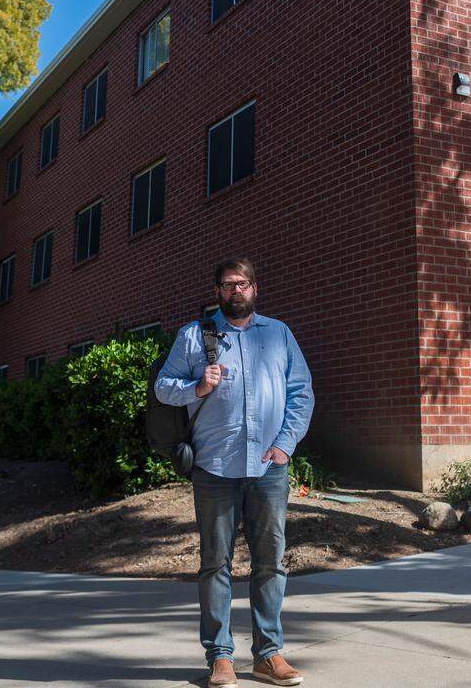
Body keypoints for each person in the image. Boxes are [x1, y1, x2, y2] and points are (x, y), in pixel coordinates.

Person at [155, 257, 314, 688]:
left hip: (267, 467)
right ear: (218, 291)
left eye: (243, 284)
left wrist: (285, 445)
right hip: (214, 467)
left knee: (270, 562)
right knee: (214, 564)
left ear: (255, 288)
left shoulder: (278, 334)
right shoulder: (195, 335)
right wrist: (197, 387)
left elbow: (301, 393)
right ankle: (220, 657)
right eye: (228, 285)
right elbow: (163, 387)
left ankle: (268, 654)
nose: (236, 291)